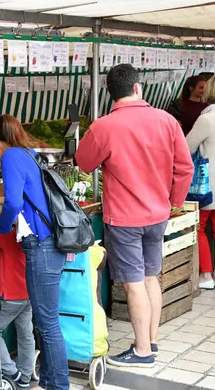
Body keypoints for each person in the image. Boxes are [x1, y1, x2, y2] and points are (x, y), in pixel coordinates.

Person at [76, 64, 194, 368]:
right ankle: (150, 341)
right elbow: (185, 168)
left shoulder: (103, 126)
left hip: (125, 219)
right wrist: (174, 202)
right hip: (158, 214)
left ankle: (142, 351)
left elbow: (83, 162)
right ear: (138, 87)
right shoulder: (167, 120)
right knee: (150, 276)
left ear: (110, 92)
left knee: (132, 283)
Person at [0, 114, 69, 390]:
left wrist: (2, 227)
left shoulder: (12, 157)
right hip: (48, 244)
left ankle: (58, 385)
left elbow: (13, 202)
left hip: (41, 245)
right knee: (44, 323)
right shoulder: (27, 152)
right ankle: (51, 382)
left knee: (48, 324)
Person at [0, 215, 34, 389]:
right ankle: (26, 375)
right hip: (28, 294)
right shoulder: (31, 236)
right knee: (26, 333)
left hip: (10, 296)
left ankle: (10, 371)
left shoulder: (7, 236)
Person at [187, 77, 215, 289]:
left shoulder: (207, 119)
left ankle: (206, 274)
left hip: (207, 186)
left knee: (199, 226)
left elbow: (187, 148)